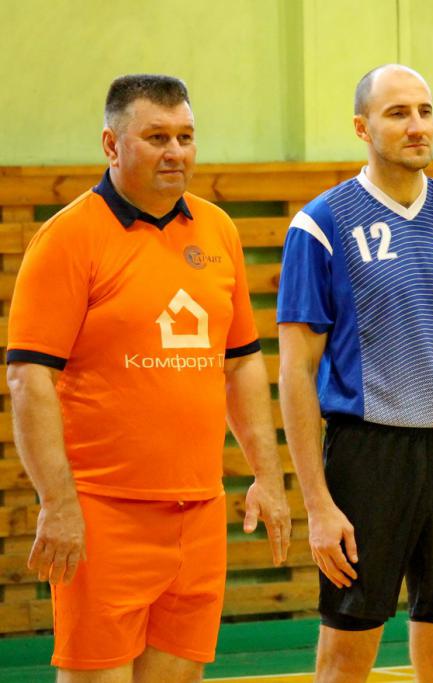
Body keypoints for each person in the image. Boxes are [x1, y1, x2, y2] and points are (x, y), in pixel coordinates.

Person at [6, 74, 291, 682]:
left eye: (185, 137)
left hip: (199, 513)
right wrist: (59, 504)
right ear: (112, 145)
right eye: (157, 137)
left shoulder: (218, 230)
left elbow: (241, 361)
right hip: (104, 516)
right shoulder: (68, 238)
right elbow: (29, 379)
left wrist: (267, 477)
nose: (175, 152)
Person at [276, 64, 433, 683]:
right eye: (398, 113)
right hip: (368, 457)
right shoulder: (322, 223)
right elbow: (297, 370)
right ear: (362, 128)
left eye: (425, 111)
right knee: (344, 662)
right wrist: (317, 505)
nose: (417, 126)